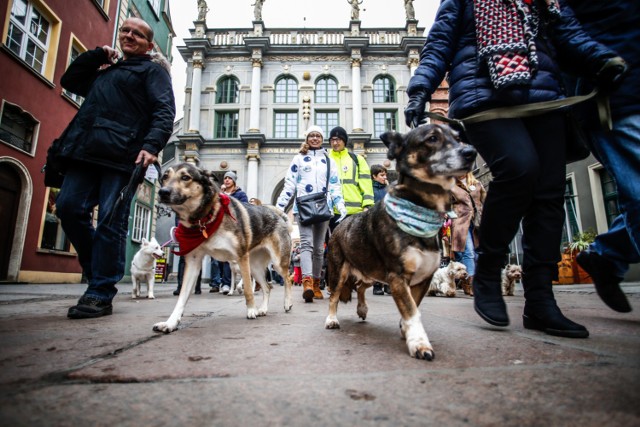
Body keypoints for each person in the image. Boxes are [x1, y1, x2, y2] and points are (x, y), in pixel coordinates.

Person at [404, 0, 625, 338]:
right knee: (519, 170)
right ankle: (489, 272)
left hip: (544, 97)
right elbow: (439, 43)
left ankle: (540, 300)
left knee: (550, 193)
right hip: (484, 96)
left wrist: (601, 59)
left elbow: (568, 33)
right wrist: (420, 88)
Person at [56, 17, 175, 319]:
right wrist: (98, 55)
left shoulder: (153, 72)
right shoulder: (106, 71)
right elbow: (70, 81)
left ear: (150, 45)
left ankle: (100, 292)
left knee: (110, 220)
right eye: (125, 30)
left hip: (123, 157)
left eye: (138, 34)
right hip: (85, 152)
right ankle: (96, 267)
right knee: (68, 208)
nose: (129, 35)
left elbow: (164, 110)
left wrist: (151, 145)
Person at [565, 1, 637, 314]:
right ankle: (608, 254)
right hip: (616, 96)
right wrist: (599, 61)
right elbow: (562, 28)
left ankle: (607, 254)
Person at [276, 125, 347, 302]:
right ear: (307, 138)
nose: (315, 138)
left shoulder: (329, 159)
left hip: (324, 208)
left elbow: (334, 185)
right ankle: (307, 282)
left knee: (318, 249)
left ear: (322, 139)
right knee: (306, 244)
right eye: (311, 136)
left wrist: (340, 204)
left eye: (318, 136)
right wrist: (279, 206)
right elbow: (290, 184)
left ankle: (316, 283)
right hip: (304, 207)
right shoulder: (298, 159)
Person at [327, 126, 374, 232]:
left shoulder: (357, 159)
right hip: (333, 212)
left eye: (338, 139)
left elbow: (366, 184)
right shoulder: (325, 159)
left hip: (355, 212)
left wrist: (367, 206)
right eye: (332, 140)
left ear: (344, 141)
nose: (335, 143)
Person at [450, 172, 486, 296]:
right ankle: (471, 283)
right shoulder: (451, 185)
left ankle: (466, 282)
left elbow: (484, 201)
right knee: (468, 252)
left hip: (477, 222)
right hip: (461, 222)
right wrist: (450, 215)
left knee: (477, 254)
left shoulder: (477, 184)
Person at [219, 171, 248, 294]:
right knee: (220, 256)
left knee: (230, 255)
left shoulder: (240, 194)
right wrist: (220, 193)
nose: (227, 180)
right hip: (220, 227)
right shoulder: (219, 194)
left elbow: (245, 208)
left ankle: (227, 283)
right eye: (225, 178)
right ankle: (222, 282)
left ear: (234, 181)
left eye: (229, 178)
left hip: (234, 227)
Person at [370, 164, 390, 295]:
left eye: (385, 174)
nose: (385, 177)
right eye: (382, 175)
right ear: (374, 176)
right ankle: (377, 284)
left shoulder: (389, 189)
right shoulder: (369, 189)